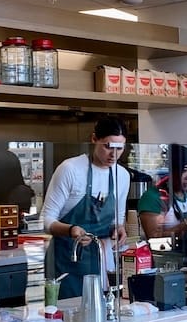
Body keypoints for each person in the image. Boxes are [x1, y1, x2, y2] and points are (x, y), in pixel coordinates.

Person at [41, 117, 130, 299]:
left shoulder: (122, 175)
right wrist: (71, 230)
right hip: (67, 264)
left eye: (119, 148)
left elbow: (117, 219)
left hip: (102, 263)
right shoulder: (71, 170)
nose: (113, 154)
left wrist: (119, 229)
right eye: (107, 146)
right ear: (94, 139)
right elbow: (45, 219)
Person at [138, 144, 187, 257]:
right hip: (166, 263)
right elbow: (155, 240)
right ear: (172, 171)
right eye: (185, 170)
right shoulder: (153, 197)